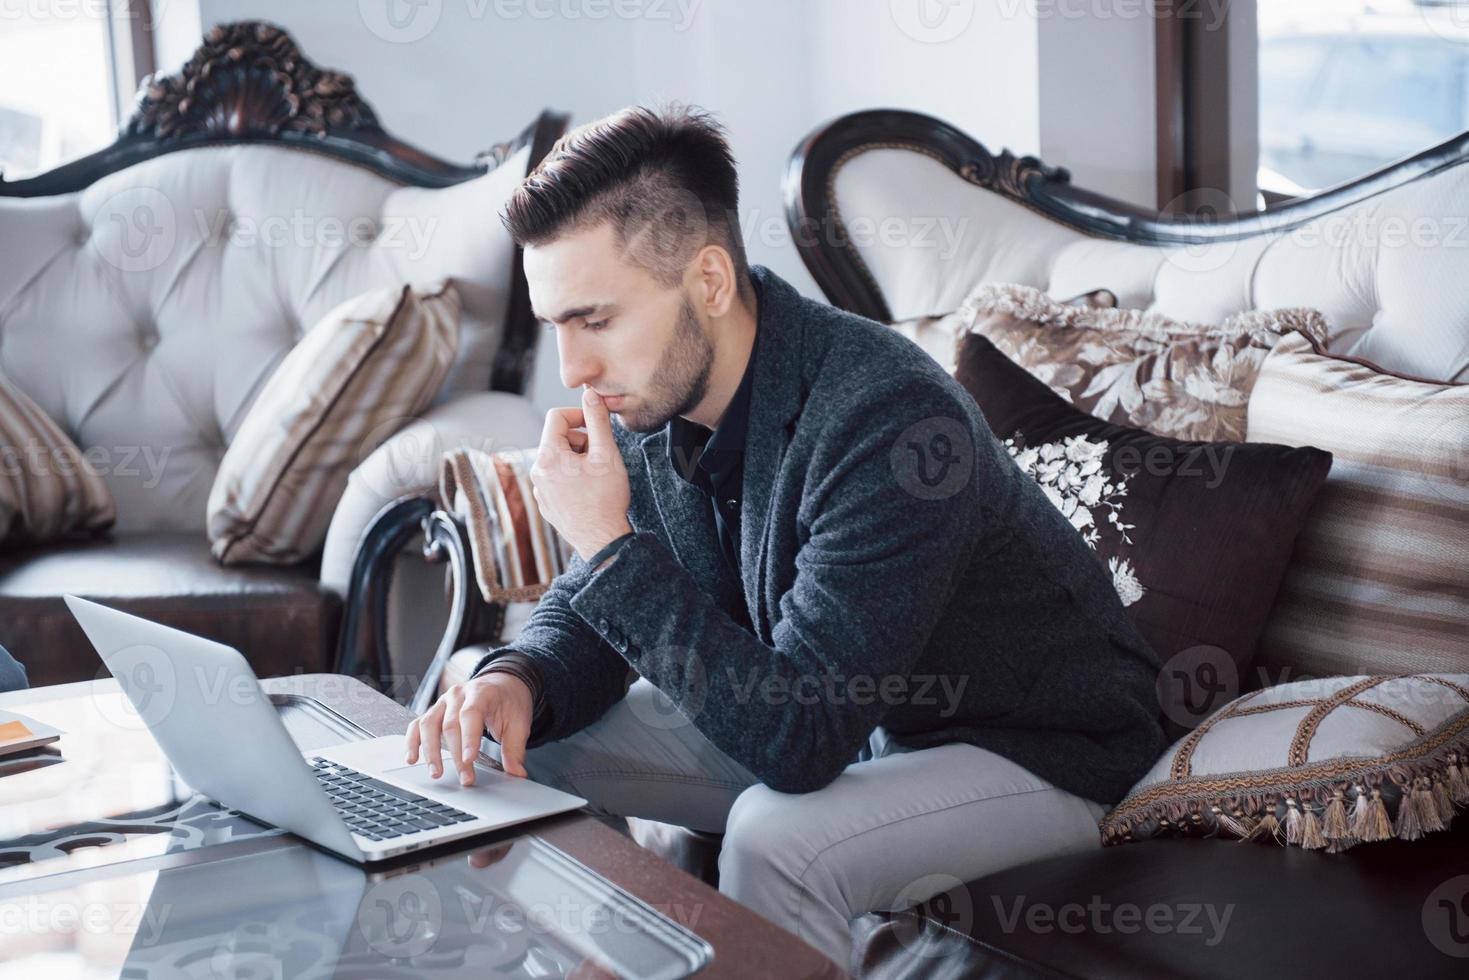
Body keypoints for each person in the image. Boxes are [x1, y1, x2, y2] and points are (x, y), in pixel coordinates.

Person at [407, 105, 1165, 967]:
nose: (572, 369)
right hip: (853, 724)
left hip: (1039, 755)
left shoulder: (886, 419)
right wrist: (521, 676)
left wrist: (607, 543)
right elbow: (599, 611)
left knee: (779, 834)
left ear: (709, 282)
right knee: (515, 746)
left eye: (596, 320)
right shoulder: (649, 393)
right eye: (556, 327)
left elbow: (797, 746)